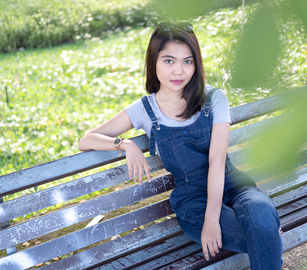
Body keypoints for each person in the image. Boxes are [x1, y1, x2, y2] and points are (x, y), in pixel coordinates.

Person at [78, 21, 283, 270]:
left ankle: (267, 229)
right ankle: (269, 233)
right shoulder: (145, 109)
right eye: (169, 61)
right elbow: (86, 140)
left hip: (232, 185)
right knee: (263, 233)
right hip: (193, 201)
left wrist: (213, 219)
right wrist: (125, 144)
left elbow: (216, 162)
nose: (179, 71)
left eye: (188, 61)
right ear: (153, 62)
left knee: (260, 214)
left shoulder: (214, 99)